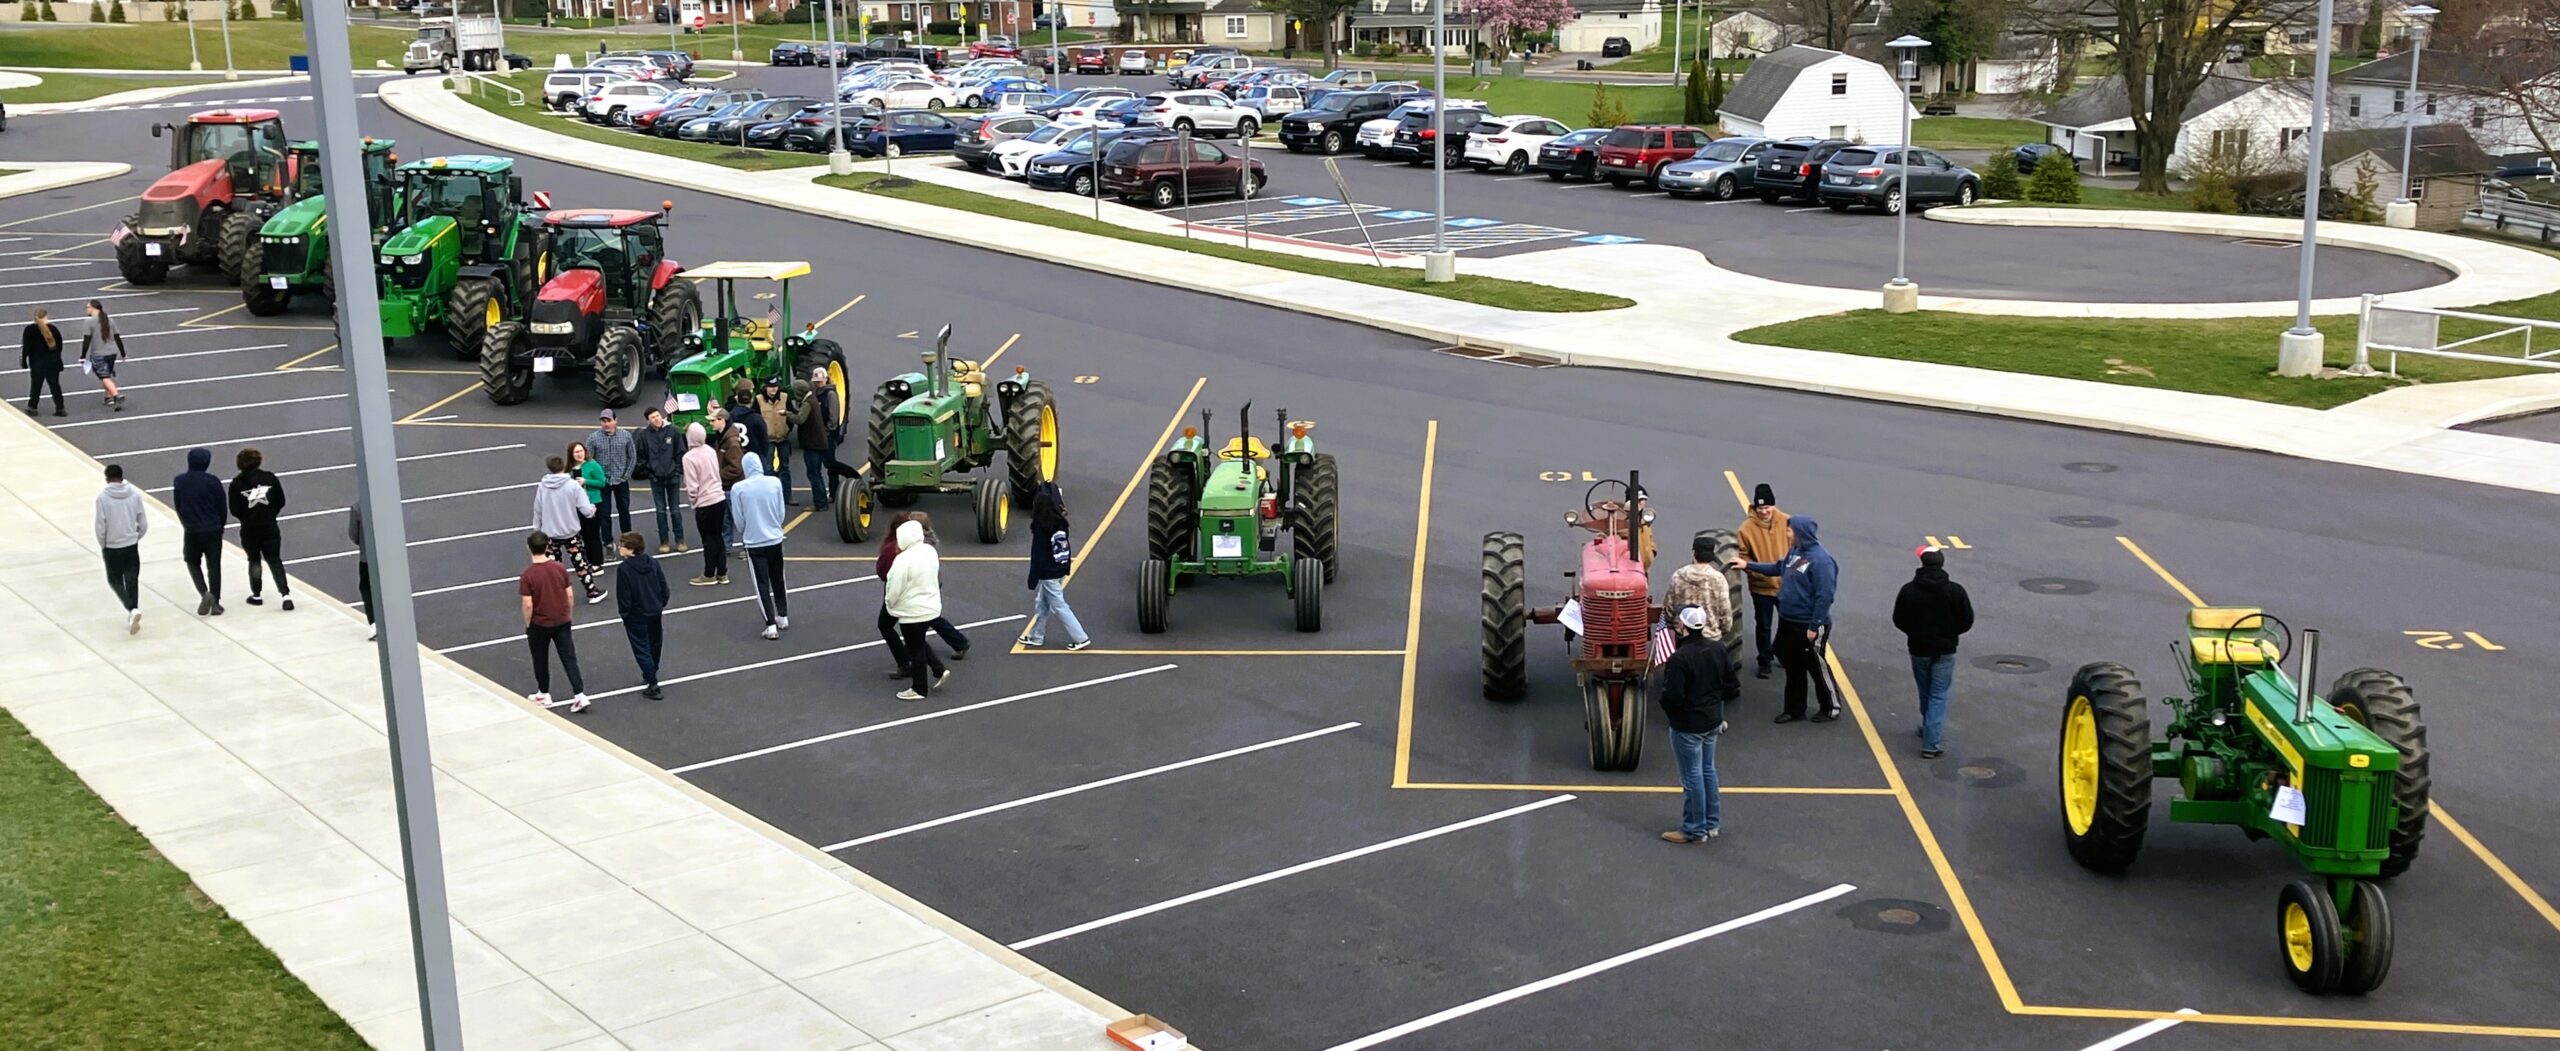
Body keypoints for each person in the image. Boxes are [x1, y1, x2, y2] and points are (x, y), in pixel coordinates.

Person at [1736, 516, 1839, 724]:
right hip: (1789, 620)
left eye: (1790, 531)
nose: (1787, 533)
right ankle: (1794, 709)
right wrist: (1747, 565)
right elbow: (1778, 568)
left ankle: (1830, 706)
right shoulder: (1797, 553)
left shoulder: (1821, 561)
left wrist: (1814, 625)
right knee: (1793, 666)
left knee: (1817, 666)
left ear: (1801, 534)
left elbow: (1825, 596)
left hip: (1808, 624)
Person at [1655, 605, 1736, 844]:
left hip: (1688, 725)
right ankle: (1712, 824)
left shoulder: (1680, 658)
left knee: (1691, 777)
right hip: (1712, 720)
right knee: (1708, 771)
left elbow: (1672, 697)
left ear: (1683, 626)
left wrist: (1672, 712)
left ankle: (1693, 828)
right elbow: (1731, 685)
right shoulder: (1717, 649)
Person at [1893, 546, 1974, 759]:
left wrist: (1914, 632)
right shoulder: (1955, 591)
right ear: (1942, 563)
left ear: (1922, 563)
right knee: (1938, 693)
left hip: (1919, 649)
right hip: (1945, 649)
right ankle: (1932, 741)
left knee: (1925, 689)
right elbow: (1966, 620)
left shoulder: (1909, 590)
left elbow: (1899, 619)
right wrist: (1950, 634)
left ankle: (1927, 724)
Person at [518, 532, 590, 712]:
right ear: (546, 546)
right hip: (562, 620)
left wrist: (528, 624)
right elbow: (570, 594)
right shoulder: (559, 568)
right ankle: (579, 694)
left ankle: (544, 692)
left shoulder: (528, 575)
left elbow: (528, 604)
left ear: (529, 548)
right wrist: (568, 613)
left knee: (540, 658)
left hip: (539, 623)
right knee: (569, 657)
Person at [883, 518, 951, 701]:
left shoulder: (902, 560)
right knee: (919, 644)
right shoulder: (929, 551)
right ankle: (938, 669)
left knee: (916, 650)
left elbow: (894, 588)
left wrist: (890, 605)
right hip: (930, 607)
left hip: (911, 612)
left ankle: (919, 688)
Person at [1020, 481, 1091, 650]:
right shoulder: (1061, 524)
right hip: (1059, 570)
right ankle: (1036, 635)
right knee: (1042, 603)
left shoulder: (1040, 529)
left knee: (1059, 605)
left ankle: (1080, 637)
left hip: (1048, 573)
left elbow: (1037, 556)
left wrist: (1032, 579)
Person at [531, 453, 606, 603]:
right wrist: (591, 510)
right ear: (564, 466)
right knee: (581, 564)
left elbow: (538, 508)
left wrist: (537, 527)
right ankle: (591, 592)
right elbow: (585, 508)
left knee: (553, 567)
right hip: (570, 532)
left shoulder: (543, 486)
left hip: (550, 533)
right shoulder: (572, 485)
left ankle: (556, 595)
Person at [1660, 532, 1736, 678]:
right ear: (1711, 557)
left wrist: (1673, 626)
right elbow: (1725, 611)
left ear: (1694, 553)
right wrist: (1724, 629)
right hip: (1710, 637)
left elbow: (1668, 607)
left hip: (1684, 635)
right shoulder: (1718, 579)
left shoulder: (1679, 575)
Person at [1736, 483, 1792, 680]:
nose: (1764, 512)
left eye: (1767, 508)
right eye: (1760, 509)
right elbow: (1743, 555)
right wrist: (1755, 573)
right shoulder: (1745, 529)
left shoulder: (1786, 521)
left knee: (1788, 624)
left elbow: (1796, 549)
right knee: (1764, 625)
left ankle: (1781, 652)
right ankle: (1764, 661)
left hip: (1785, 585)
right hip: (1761, 587)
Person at [731, 452, 789, 640]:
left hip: (754, 542)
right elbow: (781, 512)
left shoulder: (738, 488)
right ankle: (783, 615)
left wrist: (746, 532)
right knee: (778, 577)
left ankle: (770, 624)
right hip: (775, 539)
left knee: (761, 583)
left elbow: (738, 520)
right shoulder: (774, 483)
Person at [229, 447, 293, 610]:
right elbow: (281, 500)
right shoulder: (269, 478)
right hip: (270, 526)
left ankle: (256, 594)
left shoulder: (236, 484)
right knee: (274, 559)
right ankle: (285, 595)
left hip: (249, 529)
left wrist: (246, 517)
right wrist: (271, 513)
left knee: (254, 560)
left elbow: (234, 509)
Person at [172, 447, 227, 617]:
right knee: (214, 565)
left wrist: (186, 523)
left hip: (192, 530)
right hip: (212, 528)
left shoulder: (180, 481)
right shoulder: (213, 481)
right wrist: (221, 527)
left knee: (192, 561)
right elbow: (222, 507)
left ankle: (205, 593)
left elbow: (178, 505)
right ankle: (216, 602)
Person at [616, 531, 670, 699]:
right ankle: (651, 671)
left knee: (641, 647)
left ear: (630, 549)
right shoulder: (653, 563)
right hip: (654, 611)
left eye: (622, 546)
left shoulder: (624, 569)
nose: (619, 548)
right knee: (655, 643)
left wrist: (625, 614)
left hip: (636, 615)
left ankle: (652, 682)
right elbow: (663, 587)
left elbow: (624, 596)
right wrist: (660, 604)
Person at [95, 463, 147, 635]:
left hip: (112, 545)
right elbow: (143, 521)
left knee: (114, 580)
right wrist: (135, 536)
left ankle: (131, 609)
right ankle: (134, 610)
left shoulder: (103, 498)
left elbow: (100, 526)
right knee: (132, 578)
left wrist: (104, 544)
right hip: (131, 544)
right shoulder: (134, 495)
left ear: (107, 478)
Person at [681, 422, 729, 586]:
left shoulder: (688, 457)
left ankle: (709, 574)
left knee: (708, 539)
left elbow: (692, 485)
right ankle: (722, 572)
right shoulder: (710, 451)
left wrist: (694, 501)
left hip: (704, 502)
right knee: (718, 536)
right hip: (719, 498)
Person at [634, 405, 687, 554]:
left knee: (675, 510)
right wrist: (650, 471)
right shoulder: (644, 436)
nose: (656, 419)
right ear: (648, 420)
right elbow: (641, 456)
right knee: (660, 511)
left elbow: (680, 452)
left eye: (657, 416)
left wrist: (676, 470)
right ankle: (664, 541)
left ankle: (680, 540)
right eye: (652, 417)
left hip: (673, 477)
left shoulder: (673, 431)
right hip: (656, 479)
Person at [586, 409, 637, 535]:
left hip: (621, 481)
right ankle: (607, 542)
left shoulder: (626, 436)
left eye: (609, 420)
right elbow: (589, 461)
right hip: (603, 482)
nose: (606, 424)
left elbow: (632, 456)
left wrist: (626, 476)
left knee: (624, 510)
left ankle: (627, 539)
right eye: (603, 421)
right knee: (604, 513)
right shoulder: (593, 438)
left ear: (615, 421)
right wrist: (597, 479)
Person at [797, 366, 840, 510]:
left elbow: (834, 418)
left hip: (827, 436)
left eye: (820, 382)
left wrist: (825, 431)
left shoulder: (830, 395)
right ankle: (825, 496)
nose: (818, 384)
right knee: (818, 469)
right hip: (819, 434)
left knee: (829, 465)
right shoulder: (814, 394)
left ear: (826, 379)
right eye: (816, 382)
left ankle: (833, 493)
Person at [569, 441, 610, 577]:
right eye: (576, 452)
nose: (579, 454)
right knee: (583, 534)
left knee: (593, 534)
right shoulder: (569, 468)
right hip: (577, 505)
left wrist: (586, 481)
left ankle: (597, 562)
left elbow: (602, 482)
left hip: (594, 503)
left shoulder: (592, 465)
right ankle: (588, 560)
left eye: (581, 451)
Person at [757, 375, 797, 504]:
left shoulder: (785, 398)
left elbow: (792, 415)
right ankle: (770, 498)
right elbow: (756, 419)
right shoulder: (758, 400)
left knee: (785, 468)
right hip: (767, 441)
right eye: (771, 387)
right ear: (766, 388)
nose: (773, 390)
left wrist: (786, 429)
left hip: (783, 439)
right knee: (767, 469)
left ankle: (787, 496)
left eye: (775, 387)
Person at [81, 300, 127, 411]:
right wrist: (123, 353)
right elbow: (117, 337)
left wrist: (83, 355)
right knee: (107, 374)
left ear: (93, 308)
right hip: (112, 352)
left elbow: (86, 340)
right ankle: (108, 397)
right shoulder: (109, 320)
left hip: (98, 353)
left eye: (88, 307)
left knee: (104, 376)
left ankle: (116, 395)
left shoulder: (89, 322)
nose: (86, 309)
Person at [21, 306, 64, 417]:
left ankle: (32, 407)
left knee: (36, 385)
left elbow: (26, 347)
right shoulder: (53, 329)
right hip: (52, 362)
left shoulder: (29, 330)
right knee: (55, 385)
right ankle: (60, 408)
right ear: (46, 317)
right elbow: (59, 346)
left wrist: (24, 361)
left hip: (37, 363)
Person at [351, 504, 377, 640]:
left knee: (366, 588)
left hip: (366, 557)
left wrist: (362, 542)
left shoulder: (358, 507)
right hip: (387, 557)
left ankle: (374, 622)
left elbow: (353, 534)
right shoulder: (385, 502)